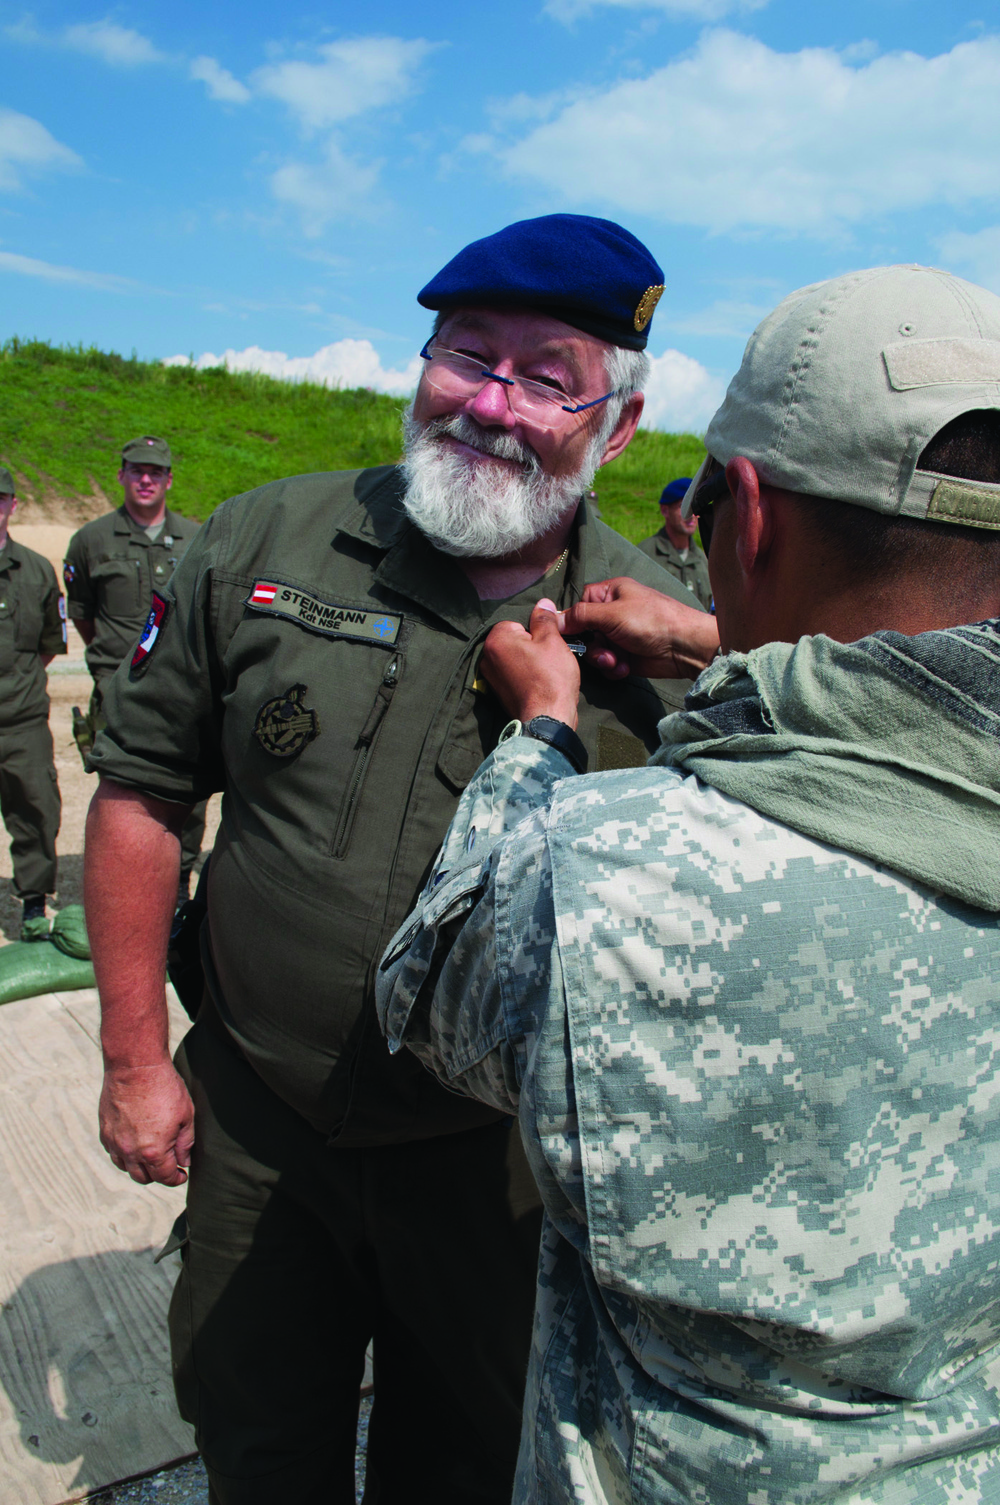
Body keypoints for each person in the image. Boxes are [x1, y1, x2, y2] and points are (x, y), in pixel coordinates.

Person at [83, 215, 707, 1502]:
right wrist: (136, 1059)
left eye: (545, 378)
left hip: (497, 1173)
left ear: (619, 428)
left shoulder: (670, 647)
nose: (488, 402)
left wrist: (706, 646)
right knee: (257, 1444)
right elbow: (143, 793)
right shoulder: (263, 541)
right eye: (464, 355)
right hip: (262, 1133)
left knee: (466, 1467)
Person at [377, 264, 1000, 1503]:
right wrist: (731, 640)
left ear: (746, 514)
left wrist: (542, 732)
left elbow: (427, 987)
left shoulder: (609, 870)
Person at [63, 436, 206, 904]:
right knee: (122, 798)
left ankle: (178, 890)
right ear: (122, 474)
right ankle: (122, 895)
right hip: (118, 692)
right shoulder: (91, 541)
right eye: (137, 470)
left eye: (156, 472)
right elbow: (83, 616)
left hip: (180, 693)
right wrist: (115, 665)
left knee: (189, 794)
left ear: (169, 480)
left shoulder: (195, 538)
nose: (146, 479)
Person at [0, 465, 67, 939]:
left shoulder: (37, 570)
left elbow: (50, 641)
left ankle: (32, 907)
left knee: (36, 810)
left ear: (13, 505)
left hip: (21, 720)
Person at [638, 474, 713, 607]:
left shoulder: (704, 560)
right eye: (683, 507)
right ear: (665, 511)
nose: (692, 515)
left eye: (695, 507)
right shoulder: (644, 556)